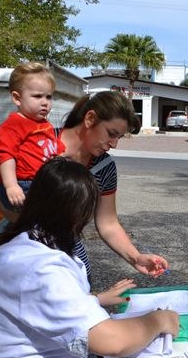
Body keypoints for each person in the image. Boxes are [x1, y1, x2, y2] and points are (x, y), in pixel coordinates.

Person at [0, 157, 179, 358]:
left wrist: (95, 300)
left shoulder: (17, 243)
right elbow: (111, 341)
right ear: (77, 215)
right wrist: (158, 320)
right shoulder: (40, 267)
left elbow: (36, 307)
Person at [58, 90, 168, 280]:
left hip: (70, 253)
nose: (114, 144)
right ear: (90, 118)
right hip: (24, 250)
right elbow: (4, 202)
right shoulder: (39, 145)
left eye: (119, 137)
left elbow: (108, 223)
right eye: (111, 134)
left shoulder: (104, 166)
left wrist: (136, 258)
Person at [0, 61, 59, 223]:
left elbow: (56, 152)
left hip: (41, 182)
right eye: (37, 96)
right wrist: (11, 185)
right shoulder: (14, 125)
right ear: (17, 98)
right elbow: (5, 157)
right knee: (40, 222)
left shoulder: (45, 125)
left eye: (49, 96)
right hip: (22, 184)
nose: (45, 102)